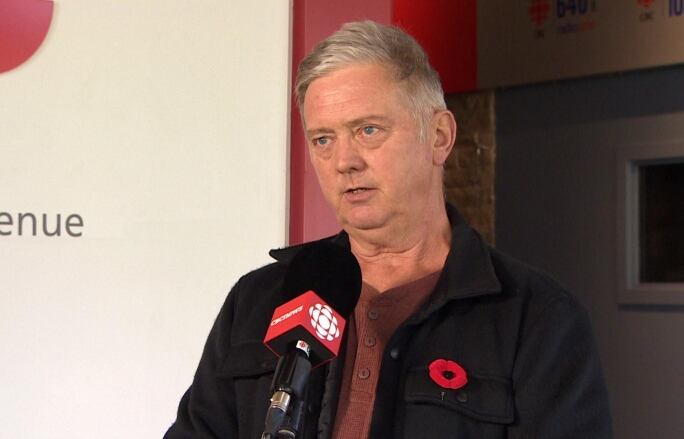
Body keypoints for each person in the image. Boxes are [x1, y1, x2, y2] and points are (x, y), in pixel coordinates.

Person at [165, 21, 612, 439]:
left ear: (438, 136)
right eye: (323, 139)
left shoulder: (537, 319)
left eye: (368, 130)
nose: (344, 161)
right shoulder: (258, 299)